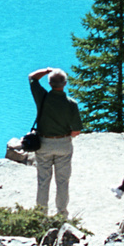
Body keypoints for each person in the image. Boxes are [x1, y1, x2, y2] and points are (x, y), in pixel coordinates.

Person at [28, 66, 81, 216]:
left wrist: (47, 70)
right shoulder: (72, 104)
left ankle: (40, 215)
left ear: (50, 84)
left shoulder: (42, 97)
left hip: (43, 143)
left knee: (43, 181)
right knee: (63, 182)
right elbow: (76, 131)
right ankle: (62, 214)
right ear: (65, 84)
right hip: (63, 144)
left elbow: (32, 77)